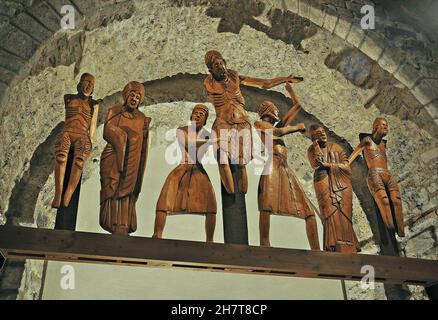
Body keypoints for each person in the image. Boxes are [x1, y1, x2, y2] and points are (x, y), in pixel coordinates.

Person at [204, 50, 303, 194]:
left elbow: (265, 84)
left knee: (241, 163)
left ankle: (240, 195)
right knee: (222, 157)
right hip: (222, 124)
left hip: (242, 124)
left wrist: (285, 79)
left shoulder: (235, 77)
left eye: (221, 63)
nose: (219, 66)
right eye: (215, 65)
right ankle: (231, 193)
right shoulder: (209, 84)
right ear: (211, 70)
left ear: (225, 64)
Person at [255, 82, 320, 249]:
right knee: (267, 204)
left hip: (284, 166)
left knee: (308, 210)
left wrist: (290, 91)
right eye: (275, 109)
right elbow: (277, 132)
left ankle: (315, 248)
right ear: (267, 110)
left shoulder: (277, 125)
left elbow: (296, 107)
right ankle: (264, 242)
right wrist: (296, 127)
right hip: (273, 164)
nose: (278, 111)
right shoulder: (260, 124)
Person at [153, 104, 219, 242]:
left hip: (198, 170)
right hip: (182, 169)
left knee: (210, 203)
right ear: (191, 115)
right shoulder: (182, 130)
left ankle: (210, 239)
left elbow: (217, 150)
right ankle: (157, 234)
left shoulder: (208, 134)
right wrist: (212, 140)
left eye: (202, 114)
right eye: (196, 112)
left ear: (206, 119)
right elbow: (189, 143)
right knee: (165, 200)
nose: (198, 115)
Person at [99, 81, 151, 235]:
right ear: (126, 96)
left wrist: (145, 133)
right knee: (113, 186)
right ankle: (111, 221)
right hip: (114, 156)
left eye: (138, 96)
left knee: (129, 190)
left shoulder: (141, 118)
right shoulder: (115, 112)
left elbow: (142, 142)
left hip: (132, 161)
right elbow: (107, 131)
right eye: (132, 95)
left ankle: (124, 223)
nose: (134, 98)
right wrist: (122, 137)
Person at [308, 124, 360, 253]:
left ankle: (349, 241)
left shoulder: (337, 148)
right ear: (313, 137)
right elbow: (315, 164)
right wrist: (315, 146)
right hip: (323, 180)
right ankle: (332, 242)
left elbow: (347, 167)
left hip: (341, 182)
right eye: (318, 134)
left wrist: (329, 165)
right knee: (329, 209)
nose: (323, 135)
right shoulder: (312, 149)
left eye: (323, 132)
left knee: (343, 211)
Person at [349, 117, 404, 237]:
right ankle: (390, 227)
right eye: (383, 125)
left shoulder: (383, 144)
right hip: (374, 173)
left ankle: (400, 230)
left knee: (397, 200)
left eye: (387, 125)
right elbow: (354, 155)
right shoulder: (367, 141)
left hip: (387, 173)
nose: (386, 127)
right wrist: (345, 164)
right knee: (383, 200)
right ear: (375, 127)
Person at [52, 73, 99, 208]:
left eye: (92, 84)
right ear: (80, 83)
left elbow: (93, 126)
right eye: (87, 81)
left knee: (79, 162)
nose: (89, 85)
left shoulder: (93, 105)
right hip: (67, 131)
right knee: (61, 157)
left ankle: (68, 195)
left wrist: (90, 141)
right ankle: (58, 193)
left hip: (82, 135)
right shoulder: (68, 98)